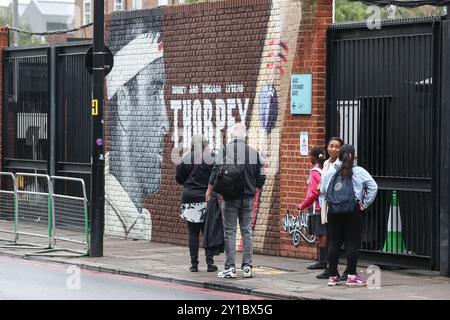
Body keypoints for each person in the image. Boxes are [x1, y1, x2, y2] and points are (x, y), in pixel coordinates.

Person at [206, 122, 266, 279]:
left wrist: (209, 190)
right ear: (245, 136)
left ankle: (230, 268)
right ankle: (247, 268)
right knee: (247, 231)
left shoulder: (225, 150)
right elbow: (262, 176)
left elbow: (215, 171)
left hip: (229, 197)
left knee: (230, 231)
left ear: (232, 135)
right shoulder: (254, 152)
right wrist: (255, 188)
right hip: (248, 197)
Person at [321, 144, 378, 286]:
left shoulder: (331, 171)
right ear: (354, 156)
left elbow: (323, 189)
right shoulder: (359, 171)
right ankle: (352, 277)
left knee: (334, 243)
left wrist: (332, 200)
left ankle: (332, 277)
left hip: (334, 212)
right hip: (353, 211)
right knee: (351, 243)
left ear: (339, 156)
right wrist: (364, 203)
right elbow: (373, 187)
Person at [176, 134, 218, 273]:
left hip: (190, 197)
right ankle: (210, 263)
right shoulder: (211, 158)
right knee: (207, 232)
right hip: (206, 198)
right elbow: (216, 178)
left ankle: (194, 264)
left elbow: (179, 178)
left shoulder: (186, 158)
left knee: (193, 232)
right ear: (206, 143)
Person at [311, 137, 344, 280]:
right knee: (330, 237)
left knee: (335, 239)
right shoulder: (325, 163)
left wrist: (322, 187)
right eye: (331, 146)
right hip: (326, 204)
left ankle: (336, 270)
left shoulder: (341, 164)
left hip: (337, 205)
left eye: (337, 147)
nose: (333, 149)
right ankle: (331, 270)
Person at [297, 147, 327, 275]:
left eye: (310, 156)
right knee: (324, 233)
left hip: (318, 206)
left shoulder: (315, 171)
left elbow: (315, 191)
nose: (309, 158)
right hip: (325, 205)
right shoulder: (324, 169)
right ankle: (324, 260)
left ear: (313, 157)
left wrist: (303, 205)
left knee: (321, 234)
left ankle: (322, 261)